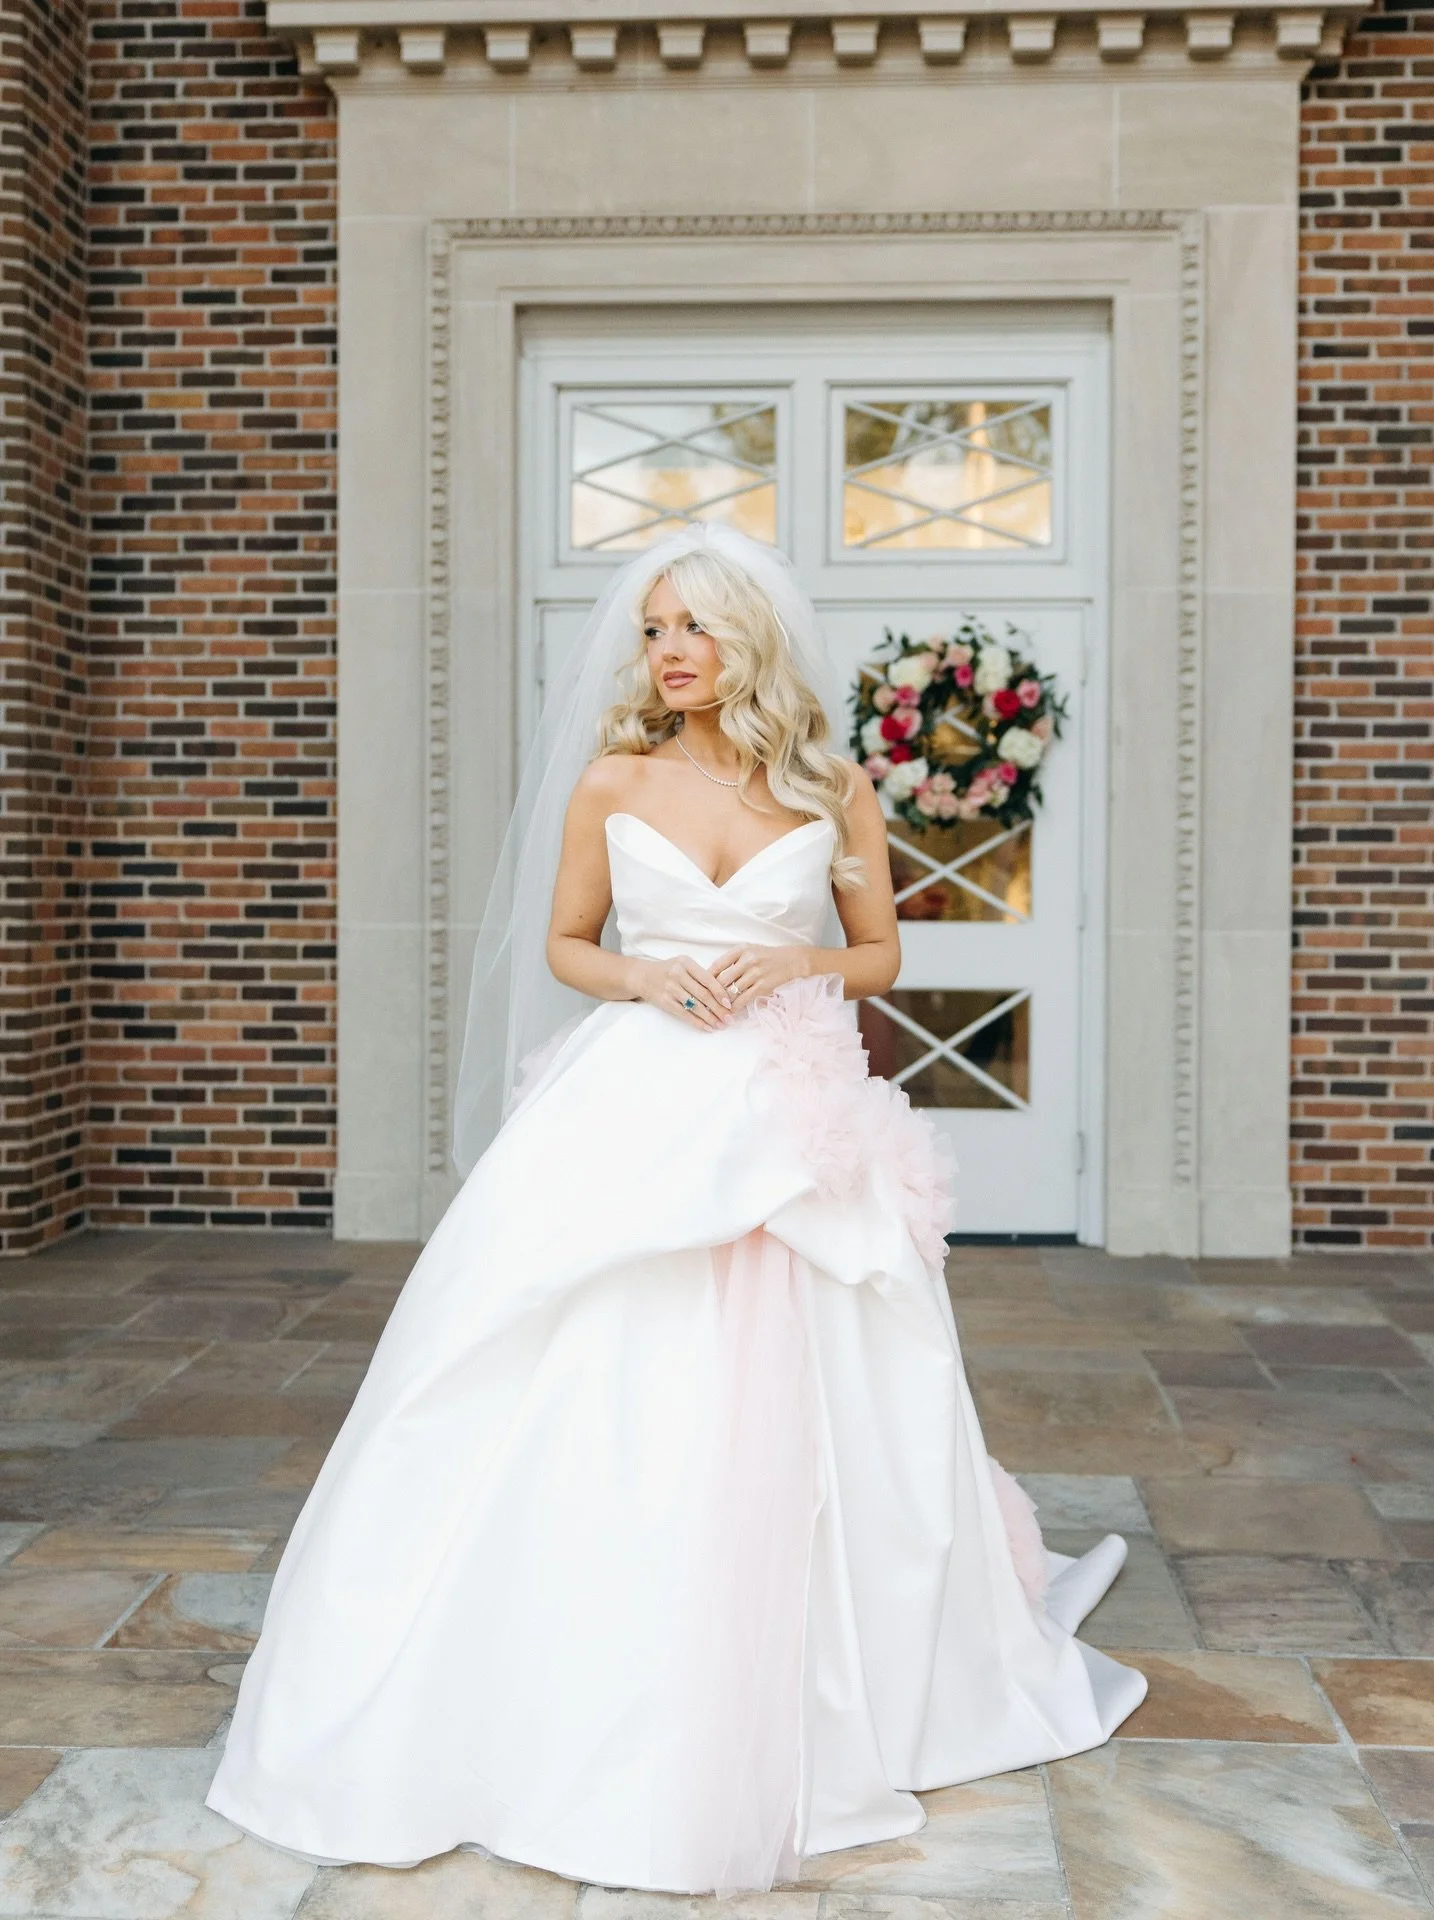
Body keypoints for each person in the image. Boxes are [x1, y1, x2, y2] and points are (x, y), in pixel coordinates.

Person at [204, 523, 1145, 1895]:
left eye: (693, 627)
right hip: (636, 1101)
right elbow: (569, 943)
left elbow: (879, 956)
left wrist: (790, 962)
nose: (671, 653)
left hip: (785, 1103)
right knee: (559, 1355)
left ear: (749, 639)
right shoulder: (612, 778)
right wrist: (648, 983)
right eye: (654, 630)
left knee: (825, 1373)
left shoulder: (830, 786)